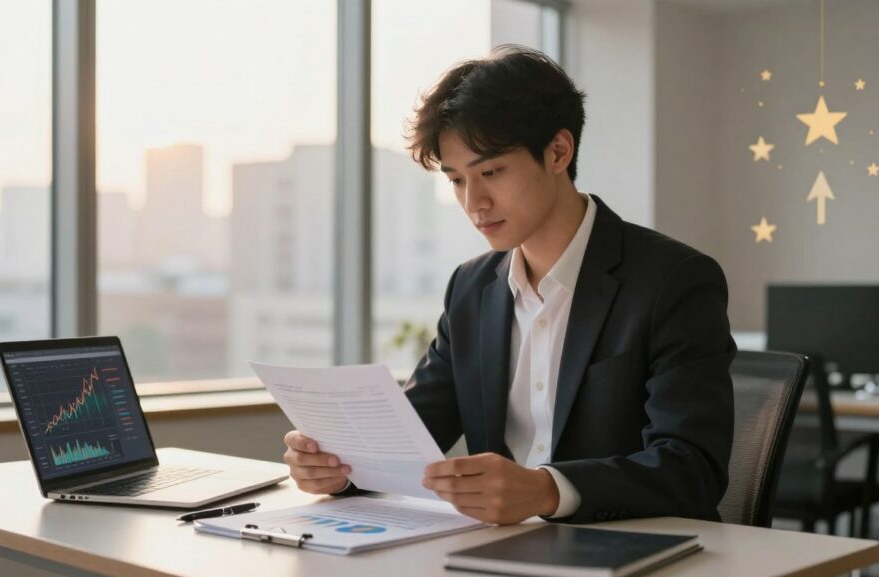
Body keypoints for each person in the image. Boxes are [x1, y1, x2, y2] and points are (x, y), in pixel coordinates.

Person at [282, 45, 735, 525]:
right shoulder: (471, 288)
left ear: (559, 151)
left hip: (633, 551)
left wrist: (547, 491)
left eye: (491, 172)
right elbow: (408, 436)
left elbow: (694, 468)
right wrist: (336, 467)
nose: (474, 202)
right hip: (497, 552)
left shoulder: (673, 280)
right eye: (456, 180)